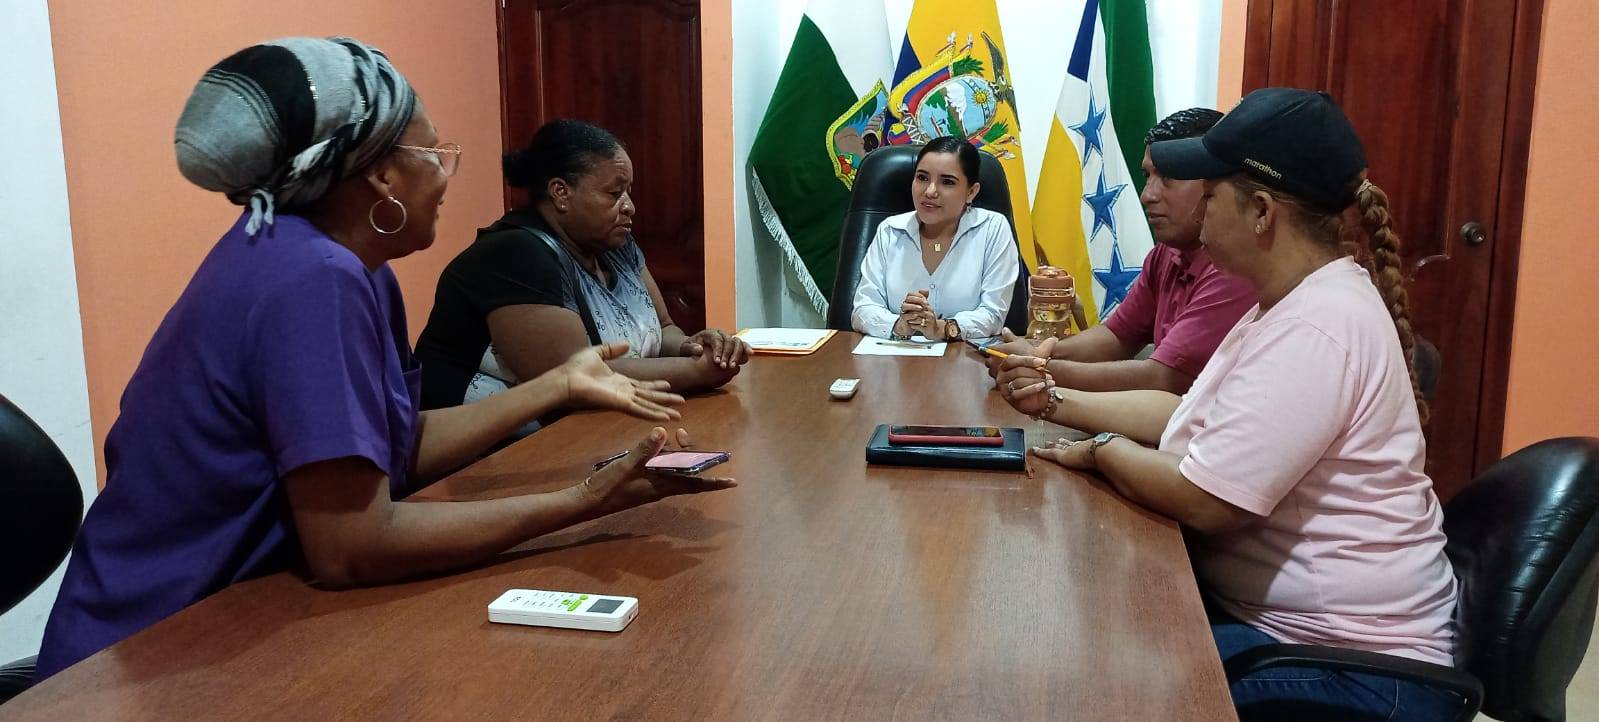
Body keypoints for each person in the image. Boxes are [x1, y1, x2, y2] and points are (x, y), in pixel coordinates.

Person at [35, 38, 734, 679]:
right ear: (379, 176)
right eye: (434, 153)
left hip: (247, 622)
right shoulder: (309, 278)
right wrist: (581, 501)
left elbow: (392, 447)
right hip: (151, 651)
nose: (445, 175)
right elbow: (353, 546)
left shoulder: (354, 269)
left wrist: (557, 385)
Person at [994, 89, 1460, 721]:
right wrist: (1054, 402)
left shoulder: (1318, 325)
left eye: (1211, 194)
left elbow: (1205, 500)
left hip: (1356, 669)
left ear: (1262, 212)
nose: (1199, 210)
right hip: (1290, 633)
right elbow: (1184, 415)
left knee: (1102, 690)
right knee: (1096, 640)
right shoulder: (1284, 303)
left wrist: (1105, 453)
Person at [416, 120, 750, 418]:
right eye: (614, 193)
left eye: (628, 191)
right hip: (487, 452)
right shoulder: (515, 254)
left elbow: (664, 330)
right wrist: (697, 372)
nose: (629, 206)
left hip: (592, 429)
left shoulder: (617, 246)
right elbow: (577, 378)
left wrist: (695, 347)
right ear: (561, 193)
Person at [983, 109, 1255, 393]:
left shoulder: (1235, 266)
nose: (1147, 195)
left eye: (1168, 178)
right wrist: (1037, 352)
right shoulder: (1166, 253)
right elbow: (1117, 336)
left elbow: (1165, 378)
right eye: (1147, 176)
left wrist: (1038, 367)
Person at [851, 136, 1020, 341]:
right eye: (922, 178)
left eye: (947, 182)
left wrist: (941, 329)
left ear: (971, 192)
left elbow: (993, 314)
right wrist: (900, 325)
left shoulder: (992, 228)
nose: (930, 191)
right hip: (895, 355)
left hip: (965, 357)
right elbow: (863, 308)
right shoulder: (890, 231)